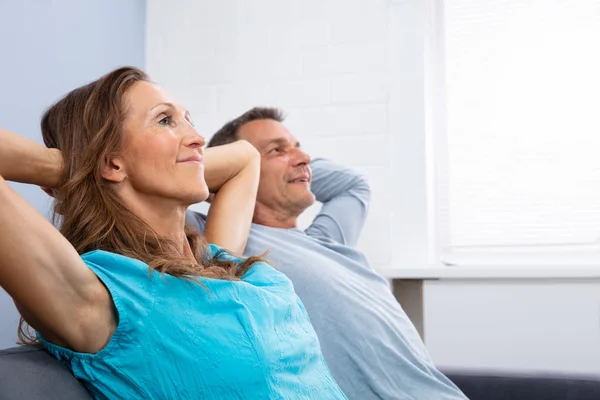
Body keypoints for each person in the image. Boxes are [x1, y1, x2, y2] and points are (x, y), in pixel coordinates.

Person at [0, 68, 348, 399]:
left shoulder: (217, 259)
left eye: (189, 120)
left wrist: (100, 166)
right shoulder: (99, 298)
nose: (198, 139)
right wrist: (73, 165)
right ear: (112, 162)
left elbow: (244, 159)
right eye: (165, 120)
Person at [187, 107, 468, 400]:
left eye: (298, 146)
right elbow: (146, 188)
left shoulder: (327, 241)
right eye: (276, 150)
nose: (304, 157)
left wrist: (290, 163)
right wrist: (232, 177)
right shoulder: (218, 241)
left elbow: (354, 183)